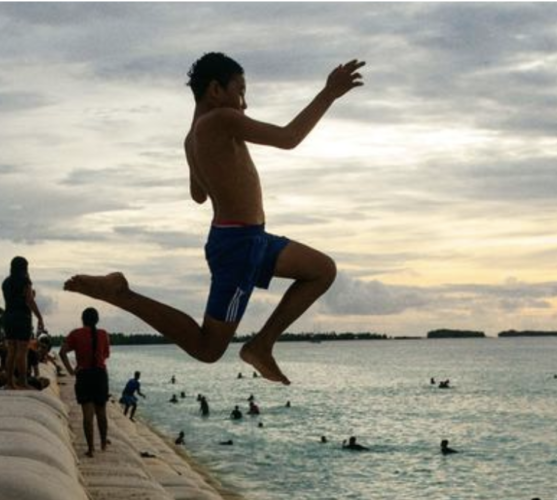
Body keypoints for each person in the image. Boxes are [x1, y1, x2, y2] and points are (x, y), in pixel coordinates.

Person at [64, 53, 365, 385]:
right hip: (239, 246)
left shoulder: (192, 137)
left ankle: (262, 345)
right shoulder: (221, 119)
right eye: (240, 91)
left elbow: (198, 194)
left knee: (322, 270)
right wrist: (329, 93)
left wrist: (219, 163)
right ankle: (121, 293)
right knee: (207, 348)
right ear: (215, 90)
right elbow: (288, 137)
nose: (244, 104)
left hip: (250, 238)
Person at [59, 307, 111, 457]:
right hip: (100, 375)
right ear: (97, 320)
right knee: (101, 412)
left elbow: (62, 352)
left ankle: (91, 449)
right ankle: (103, 443)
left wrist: (71, 371)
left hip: (84, 375)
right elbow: (105, 355)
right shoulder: (103, 334)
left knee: (87, 414)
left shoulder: (76, 334)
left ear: (83, 319)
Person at [3, 257, 44, 390]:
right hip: (22, 317)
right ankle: (22, 382)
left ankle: (9, 382)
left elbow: (13, 298)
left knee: (11, 350)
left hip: (8, 316)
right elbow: (29, 300)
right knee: (22, 351)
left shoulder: (6, 282)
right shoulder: (25, 281)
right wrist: (39, 317)